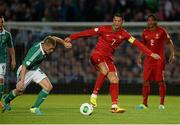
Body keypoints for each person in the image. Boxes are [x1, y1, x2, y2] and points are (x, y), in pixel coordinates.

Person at [64, 13, 160, 113]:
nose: (117, 23)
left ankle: (114, 107)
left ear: (122, 22)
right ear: (113, 21)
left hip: (108, 59)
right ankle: (94, 95)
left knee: (114, 80)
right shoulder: (104, 29)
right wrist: (72, 37)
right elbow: (87, 32)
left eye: (119, 21)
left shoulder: (124, 34)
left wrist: (150, 53)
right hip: (97, 55)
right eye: (115, 20)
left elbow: (137, 43)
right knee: (105, 70)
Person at [2, 36, 72, 115]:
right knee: (19, 90)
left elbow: (54, 38)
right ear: (45, 46)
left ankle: (35, 108)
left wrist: (64, 43)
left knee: (48, 87)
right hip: (25, 70)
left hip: (34, 70)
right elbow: (25, 65)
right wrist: (21, 81)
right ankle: (7, 100)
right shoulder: (36, 52)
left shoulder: (46, 42)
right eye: (51, 49)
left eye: (53, 49)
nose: (52, 51)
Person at [136, 14, 175, 110]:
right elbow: (143, 46)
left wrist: (172, 54)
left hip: (159, 60)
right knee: (145, 81)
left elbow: (169, 42)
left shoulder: (161, 31)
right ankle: (144, 104)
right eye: (148, 20)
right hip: (148, 60)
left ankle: (161, 104)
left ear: (155, 21)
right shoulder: (145, 32)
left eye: (151, 20)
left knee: (160, 81)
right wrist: (139, 57)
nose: (149, 22)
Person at [0, 16, 16, 108]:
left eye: (1, 22)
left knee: (1, 81)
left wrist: (13, 60)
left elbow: (11, 48)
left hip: (1, 60)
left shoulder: (7, 34)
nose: (0, 24)